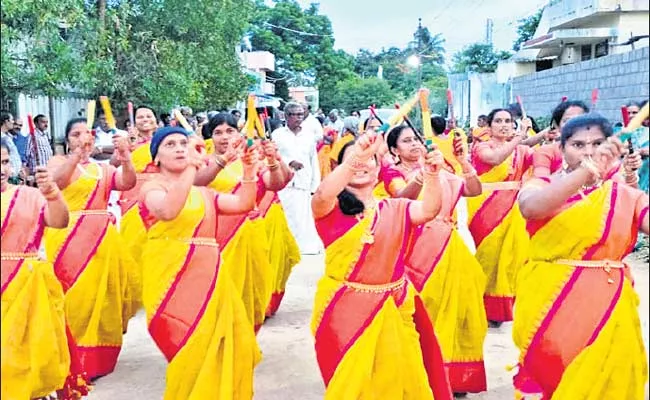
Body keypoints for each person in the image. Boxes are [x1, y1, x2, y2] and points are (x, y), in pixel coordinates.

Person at [514, 114, 649, 399]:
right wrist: (586, 173)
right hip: (551, 303)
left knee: (612, 374)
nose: (589, 151)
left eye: (598, 143)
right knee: (563, 377)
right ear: (561, 150)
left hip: (611, 305)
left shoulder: (625, 195)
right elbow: (531, 209)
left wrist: (628, 179)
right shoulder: (541, 185)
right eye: (578, 144)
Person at [310, 134, 453, 399]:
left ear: (379, 168)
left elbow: (429, 210)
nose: (363, 164)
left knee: (403, 379)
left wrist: (432, 175)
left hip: (394, 305)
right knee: (354, 385)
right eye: (354, 160)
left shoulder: (396, 208)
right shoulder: (329, 209)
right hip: (343, 309)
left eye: (370, 159)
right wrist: (356, 158)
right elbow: (322, 192)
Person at [139, 126, 261, 399]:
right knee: (188, 345)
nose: (180, 148)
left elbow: (242, 203)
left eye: (183, 143)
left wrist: (250, 172)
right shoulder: (152, 187)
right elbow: (168, 210)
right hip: (171, 279)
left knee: (224, 344)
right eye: (170, 145)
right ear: (156, 157)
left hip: (209, 276)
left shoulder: (204, 194)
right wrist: (192, 169)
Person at [382, 125, 487, 395]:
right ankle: (424, 372)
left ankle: (454, 375)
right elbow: (401, 198)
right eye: (405, 142)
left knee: (461, 306)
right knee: (424, 311)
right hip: (415, 249)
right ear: (394, 150)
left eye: (415, 140)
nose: (414, 145)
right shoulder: (394, 173)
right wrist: (424, 175)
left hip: (450, 247)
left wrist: (463, 162)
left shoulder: (445, 170)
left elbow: (474, 191)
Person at [44, 118, 141, 380]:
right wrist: (75, 156)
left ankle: (96, 359)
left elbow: (126, 183)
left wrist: (126, 157)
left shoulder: (102, 169)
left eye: (86, 134)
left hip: (102, 241)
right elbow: (56, 183)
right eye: (75, 135)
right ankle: (71, 358)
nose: (82, 138)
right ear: (67, 140)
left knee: (103, 298)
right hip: (68, 238)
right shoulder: (57, 162)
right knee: (75, 299)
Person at [1, 138, 88, 399]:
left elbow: (59, 221)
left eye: (4, 162)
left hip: (28, 288)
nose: (2, 169)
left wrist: (52, 194)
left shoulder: (27, 196)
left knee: (30, 355)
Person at [194, 113, 295, 331]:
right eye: (218, 132)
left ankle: (242, 340)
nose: (224, 137)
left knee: (251, 291)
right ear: (210, 136)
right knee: (218, 290)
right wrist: (222, 161)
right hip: (214, 234)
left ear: (238, 133)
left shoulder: (251, 161)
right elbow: (196, 182)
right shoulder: (203, 161)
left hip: (250, 234)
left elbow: (275, 184)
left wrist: (272, 160)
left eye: (230, 131)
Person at [467, 108, 548, 327]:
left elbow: (542, 157)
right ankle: (478, 305)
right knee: (488, 257)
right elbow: (494, 159)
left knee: (512, 257)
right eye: (499, 121)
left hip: (514, 207)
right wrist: (521, 138)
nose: (504, 125)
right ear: (489, 126)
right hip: (485, 208)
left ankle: (500, 308)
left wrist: (551, 133)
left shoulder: (521, 150)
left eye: (508, 121)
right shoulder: (482, 146)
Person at [272, 102, 323, 255]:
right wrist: (289, 162)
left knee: (303, 215)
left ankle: (303, 247)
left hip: (303, 181)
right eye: (295, 115)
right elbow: (274, 156)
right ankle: (285, 246)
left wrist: (316, 185)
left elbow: (313, 159)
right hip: (284, 182)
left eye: (301, 114)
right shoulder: (278, 135)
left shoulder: (309, 136)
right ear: (286, 116)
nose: (298, 118)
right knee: (286, 214)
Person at [116, 105, 158, 264]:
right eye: (140, 117)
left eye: (149, 116)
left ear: (156, 121)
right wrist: (127, 148)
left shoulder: (164, 141)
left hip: (158, 191)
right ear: (133, 123)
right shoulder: (127, 141)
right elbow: (115, 162)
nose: (145, 119)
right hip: (133, 191)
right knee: (132, 235)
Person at [532, 100, 589, 179]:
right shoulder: (546, 152)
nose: (574, 124)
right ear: (557, 126)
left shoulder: (597, 151)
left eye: (580, 120)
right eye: (568, 121)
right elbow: (540, 183)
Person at [0, 111, 22, 183]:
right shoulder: (2, 138)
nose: (13, 122)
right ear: (6, 121)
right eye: (12, 120)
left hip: (14, 176)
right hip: (8, 178)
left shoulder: (7, 137)